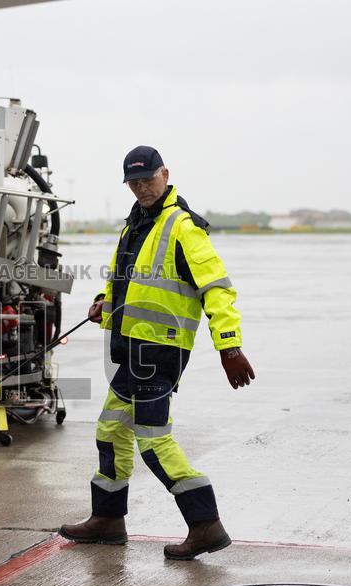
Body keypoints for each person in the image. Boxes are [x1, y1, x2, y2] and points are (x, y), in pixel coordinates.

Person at [59, 145, 255, 560]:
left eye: (147, 179)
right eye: (133, 182)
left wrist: (230, 346)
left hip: (160, 351)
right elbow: (126, 282)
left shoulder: (183, 227)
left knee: (153, 441)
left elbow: (217, 289)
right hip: (131, 350)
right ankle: (108, 519)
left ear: (165, 174)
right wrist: (103, 303)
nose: (141, 188)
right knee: (111, 431)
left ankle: (206, 524)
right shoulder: (136, 225)